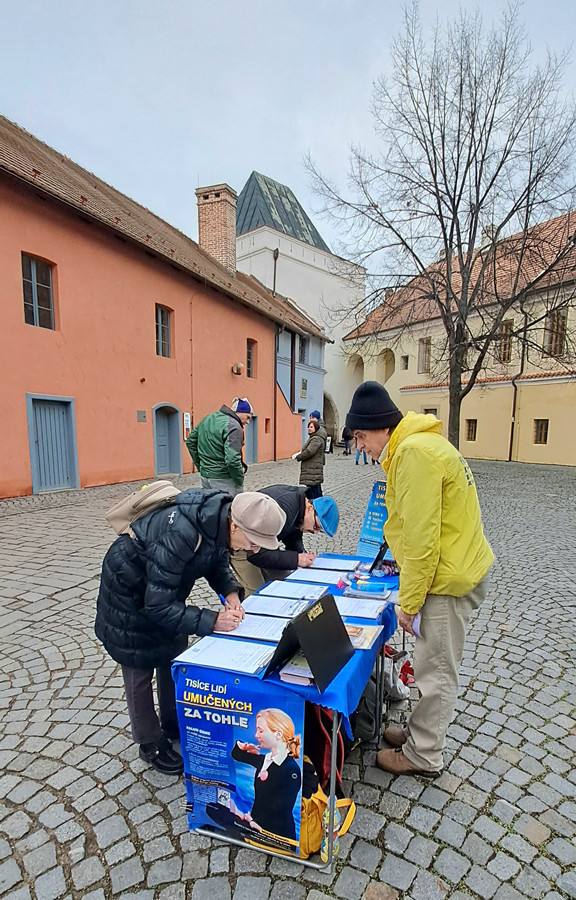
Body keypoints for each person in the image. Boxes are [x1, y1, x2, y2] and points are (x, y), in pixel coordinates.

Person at [346, 381, 494, 778]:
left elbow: (422, 539)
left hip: (447, 579)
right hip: (452, 568)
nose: (359, 446)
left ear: (381, 427)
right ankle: (418, 733)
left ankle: (424, 755)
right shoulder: (416, 446)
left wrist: (408, 603)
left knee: (436, 670)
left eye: (360, 436)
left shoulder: (412, 454)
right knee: (435, 664)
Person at [95, 490, 286, 775]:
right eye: (253, 542)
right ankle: (149, 742)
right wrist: (212, 621)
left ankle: (174, 723)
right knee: (139, 664)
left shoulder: (219, 520)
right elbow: (158, 606)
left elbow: (215, 558)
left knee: (172, 651)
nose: (254, 550)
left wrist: (230, 591)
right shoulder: (183, 532)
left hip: (161, 586)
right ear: (235, 525)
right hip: (129, 586)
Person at [230, 485, 339, 595]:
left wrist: (300, 553)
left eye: (318, 531)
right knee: (256, 590)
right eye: (316, 526)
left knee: (282, 579)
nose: (314, 532)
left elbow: (292, 535)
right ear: (310, 509)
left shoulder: (300, 506)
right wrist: (296, 559)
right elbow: (255, 555)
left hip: (263, 541)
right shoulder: (287, 508)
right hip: (242, 542)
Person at [230, 708, 301, 841]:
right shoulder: (265, 760)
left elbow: (283, 809)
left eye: (261, 731)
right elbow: (237, 754)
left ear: (278, 734)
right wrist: (243, 746)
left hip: (279, 835)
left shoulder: (291, 770)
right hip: (257, 826)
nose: (256, 735)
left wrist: (254, 822)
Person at [186, 398, 253, 497]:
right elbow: (232, 459)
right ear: (238, 412)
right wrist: (239, 479)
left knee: (210, 508)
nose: (247, 422)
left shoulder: (208, 419)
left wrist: (201, 467)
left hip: (206, 477)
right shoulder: (234, 426)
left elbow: (190, 441)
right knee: (229, 510)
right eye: (247, 417)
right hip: (224, 479)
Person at [293, 420, 325, 500]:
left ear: (316, 429)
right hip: (312, 470)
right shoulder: (313, 438)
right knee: (315, 491)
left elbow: (310, 451)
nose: (309, 429)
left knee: (314, 494)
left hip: (313, 470)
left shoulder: (316, 439)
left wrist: (299, 457)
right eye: (308, 427)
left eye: (311, 427)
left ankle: (318, 510)